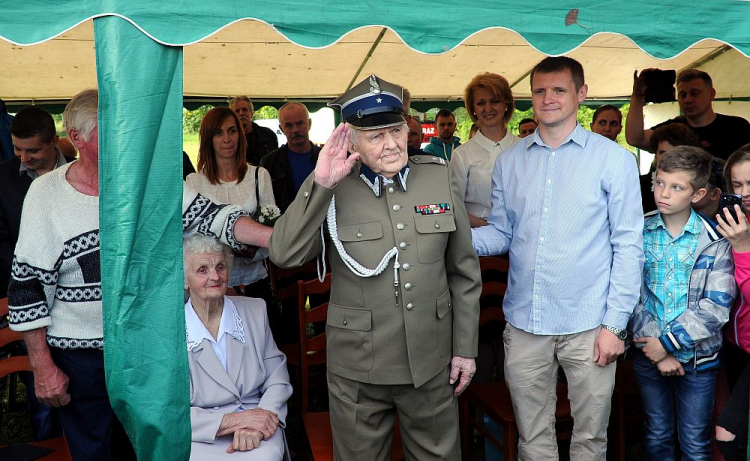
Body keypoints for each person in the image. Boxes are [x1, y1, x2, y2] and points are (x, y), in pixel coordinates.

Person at [7, 89, 273, 459]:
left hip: (148, 348)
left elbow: (212, 216)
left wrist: (276, 239)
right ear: (77, 137)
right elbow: (28, 288)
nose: (121, 137)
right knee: (96, 451)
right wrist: (42, 365)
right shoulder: (45, 195)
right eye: (108, 130)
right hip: (81, 358)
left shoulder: (149, 182)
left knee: (155, 446)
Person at [269, 74, 481, 460]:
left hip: (430, 362)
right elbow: (284, 253)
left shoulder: (437, 175)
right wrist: (320, 183)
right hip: (357, 370)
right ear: (351, 140)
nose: (391, 145)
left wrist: (465, 349)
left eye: (396, 131)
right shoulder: (334, 185)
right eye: (375, 136)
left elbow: (463, 272)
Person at [472, 57, 644, 460]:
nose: (547, 98)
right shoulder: (511, 161)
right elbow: (501, 232)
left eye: (559, 90)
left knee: (589, 440)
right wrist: (445, 235)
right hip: (526, 323)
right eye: (539, 91)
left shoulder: (612, 159)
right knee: (533, 439)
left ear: (581, 94)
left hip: (590, 325)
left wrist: (615, 325)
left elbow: (629, 246)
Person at [629, 146, 736, 460]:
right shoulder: (639, 230)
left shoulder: (715, 240)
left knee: (694, 443)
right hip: (648, 354)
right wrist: (657, 350)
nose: (663, 193)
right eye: (659, 183)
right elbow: (630, 294)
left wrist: (669, 344)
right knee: (657, 435)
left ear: (697, 193)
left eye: (676, 187)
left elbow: (715, 307)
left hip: (698, 362)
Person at [183, 234, 291, 460]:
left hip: (258, 423)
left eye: (220, 267)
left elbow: (278, 378)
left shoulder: (255, 311)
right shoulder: (170, 331)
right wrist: (233, 421)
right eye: (202, 270)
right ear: (185, 280)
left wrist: (261, 419)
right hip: (201, 432)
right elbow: (167, 410)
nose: (215, 276)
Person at [0, 105, 72, 441]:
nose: (23, 158)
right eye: (17, 148)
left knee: (82, 388)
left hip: (77, 301)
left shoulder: (78, 174)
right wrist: (27, 280)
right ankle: (46, 445)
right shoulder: (3, 179)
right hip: (29, 300)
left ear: (54, 142)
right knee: (41, 390)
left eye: (33, 150)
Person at [185, 107, 275, 299]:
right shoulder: (193, 182)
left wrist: (252, 252)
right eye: (218, 133)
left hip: (253, 281)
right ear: (208, 138)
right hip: (212, 285)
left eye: (232, 131)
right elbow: (190, 243)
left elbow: (272, 228)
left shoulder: (259, 176)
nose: (227, 139)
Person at [712, 144, 750, 460]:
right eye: (737, 185)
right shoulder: (731, 222)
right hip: (735, 345)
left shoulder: (740, 234)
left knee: (729, 435)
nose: (744, 193)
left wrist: (741, 246)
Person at [626, 69, 750, 160]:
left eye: (694, 93)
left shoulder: (737, 127)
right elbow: (635, 139)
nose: (687, 100)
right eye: (682, 95)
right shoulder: (672, 130)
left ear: (711, 94)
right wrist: (637, 96)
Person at [451, 72, 520, 229]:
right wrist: (491, 229)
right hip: (480, 240)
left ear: (506, 103)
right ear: (473, 108)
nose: (488, 108)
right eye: (481, 103)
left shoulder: (525, 148)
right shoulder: (461, 155)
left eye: (494, 101)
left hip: (523, 238)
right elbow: (454, 207)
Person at [260, 102, 321, 213]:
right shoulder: (269, 163)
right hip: (286, 225)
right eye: (288, 125)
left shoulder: (324, 159)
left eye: (299, 123)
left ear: (309, 123)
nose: (295, 130)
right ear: (281, 128)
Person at [641, 123, 702, 214]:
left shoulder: (697, 186)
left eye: (674, 154)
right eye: (662, 153)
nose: (667, 159)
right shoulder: (638, 185)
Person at [230, 96, 278, 166]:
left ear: (252, 113)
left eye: (245, 110)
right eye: (237, 111)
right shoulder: (228, 139)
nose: (241, 113)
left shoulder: (268, 135)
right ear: (232, 116)